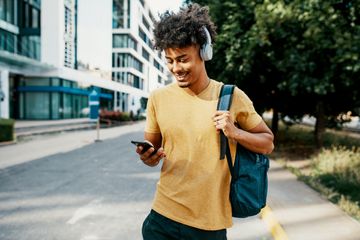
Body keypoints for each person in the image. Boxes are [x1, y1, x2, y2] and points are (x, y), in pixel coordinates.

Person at [135, 3, 274, 240]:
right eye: (169, 61)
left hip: (208, 225)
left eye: (182, 59)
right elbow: (153, 153)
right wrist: (147, 157)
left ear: (204, 52)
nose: (176, 68)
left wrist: (235, 133)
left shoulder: (231, 97)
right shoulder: (158, 98)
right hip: (162, 218)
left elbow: (267, 143)